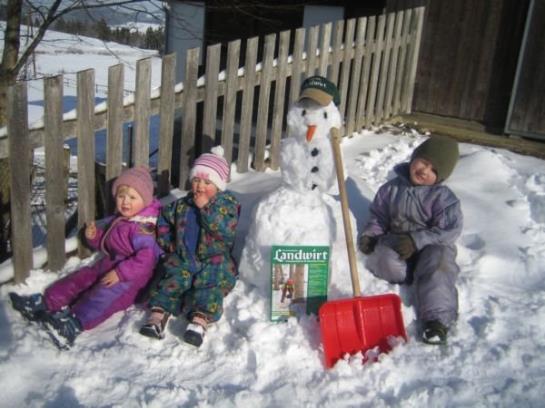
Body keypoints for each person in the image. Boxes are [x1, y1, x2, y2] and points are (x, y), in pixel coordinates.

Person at [9, 166, 162, 348]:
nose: (125, 202)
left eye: (132, 197)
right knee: (81, 277)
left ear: (144, 201)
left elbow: (146, 261)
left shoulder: (145, 228)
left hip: (131, 281)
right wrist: (94, 237)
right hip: (110, 264)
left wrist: (120, 274)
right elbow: (108, 244)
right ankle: (45, 302)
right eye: (121, 196)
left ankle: (74, 324)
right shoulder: (121, 219)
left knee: (102, 295)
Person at [358, 136, 463, 345]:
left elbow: (450, 231)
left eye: (433, 170)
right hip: (398, 243)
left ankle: (436, 321)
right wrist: (371, 234)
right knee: (383, 258)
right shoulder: (390, 189)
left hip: (432, 246)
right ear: (414, 157)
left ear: (440, 177)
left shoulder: (443, 198)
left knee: (437, 267)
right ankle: (412, 277)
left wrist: (417, 240)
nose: (425, 170)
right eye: (423, 162)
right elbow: (379, 216)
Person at [139, 146, 240, 348]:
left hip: (215, 260)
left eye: (207, 182)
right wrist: (168, 242)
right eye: (196, 180)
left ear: (219, 185)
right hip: (184, 257)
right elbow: (165, 219)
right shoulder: (182, 204)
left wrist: (206, 209)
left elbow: (226, 230)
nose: (200, 186)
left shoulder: (226, 204)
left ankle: (199, 322)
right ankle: (157, 316)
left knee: (210, 287)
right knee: (172, 279)